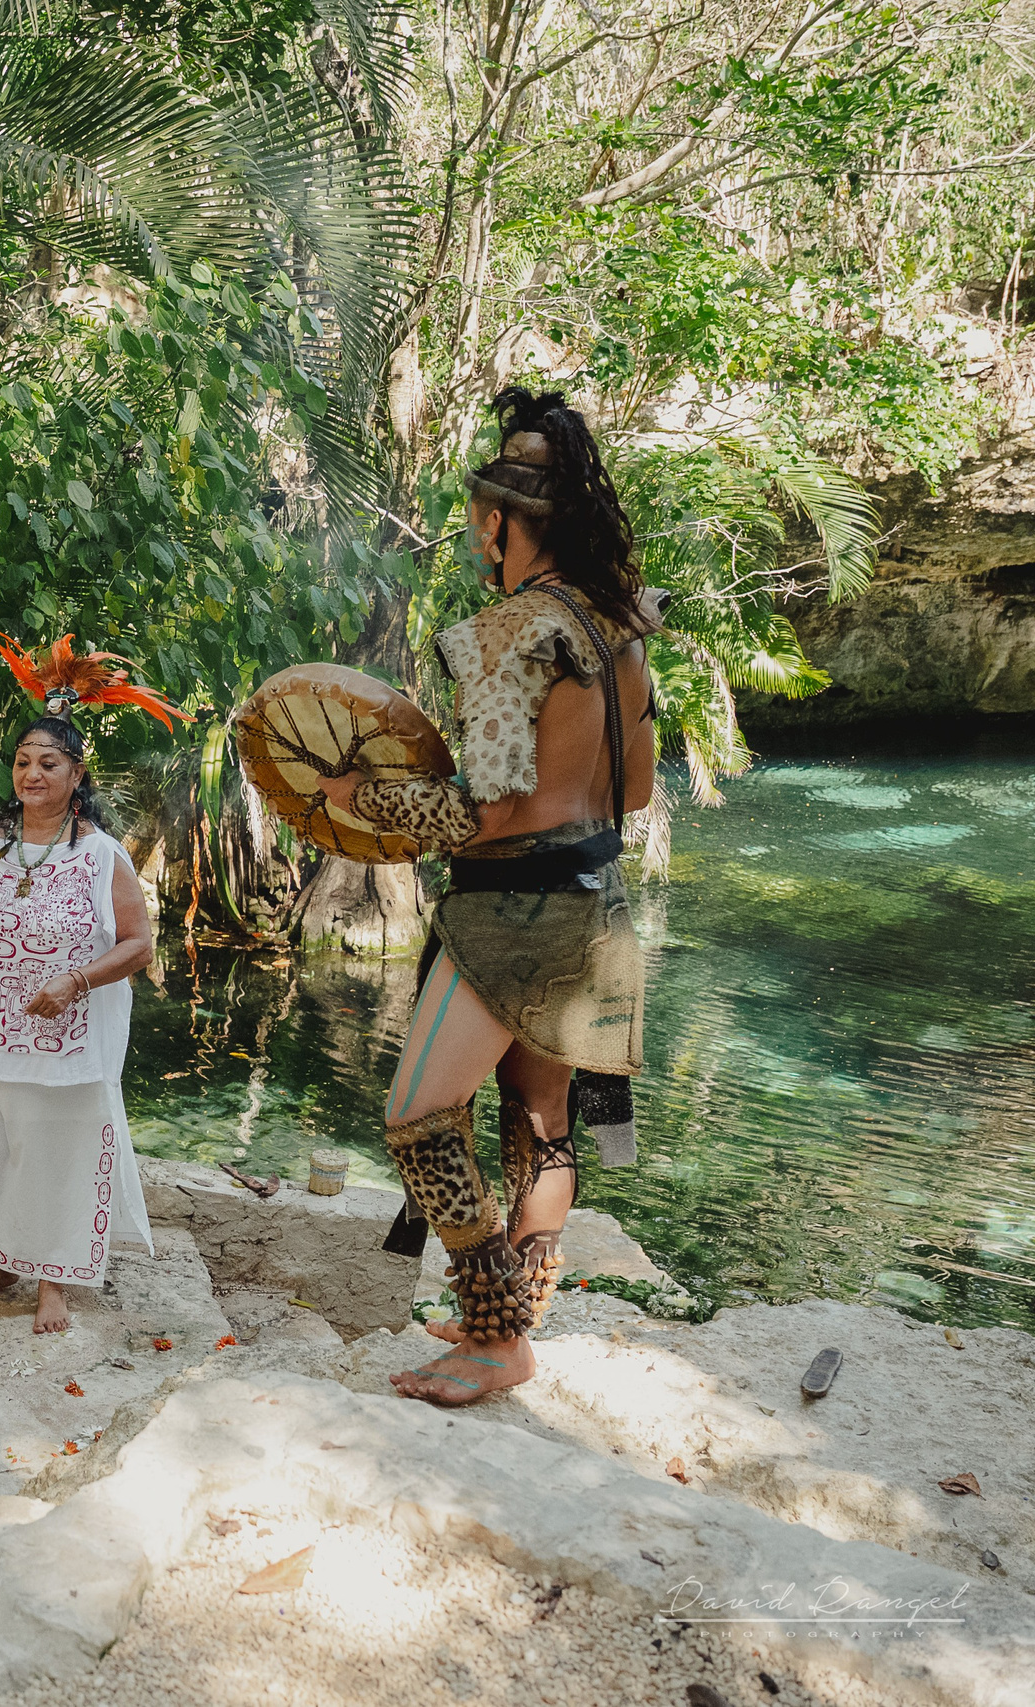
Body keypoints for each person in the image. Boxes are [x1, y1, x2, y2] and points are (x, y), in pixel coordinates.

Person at [315, 386, 663, 1406]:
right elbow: (634, 791)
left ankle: (491, 1335)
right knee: (544, 1124)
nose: (478, 537)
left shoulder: (506, 633)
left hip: (512, 913)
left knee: (419, 1120)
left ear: (498, 521)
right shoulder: (619, 631)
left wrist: (363, 796)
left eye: (481, 522)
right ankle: (509, 1317)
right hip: (595, 911)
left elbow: (495, 813)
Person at [0, 638, 173, 1335]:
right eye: (23, 761)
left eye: (47, 763)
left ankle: (54, 1276)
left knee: (57, 1150)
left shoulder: (98, 853)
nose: (31, 772)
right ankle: (1, 1259)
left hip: (61, 1034)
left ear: (77, 774)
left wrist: (76, 980)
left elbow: (140, 945)